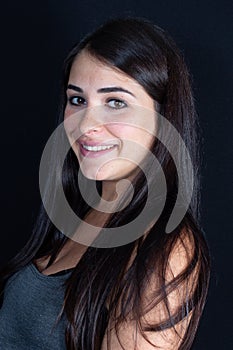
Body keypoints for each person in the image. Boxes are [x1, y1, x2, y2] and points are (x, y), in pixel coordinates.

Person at [0, 17, 210, 349]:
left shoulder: (165, 247)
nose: (87, 124)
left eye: (115, 102)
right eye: (78, 100)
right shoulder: (78, 215)